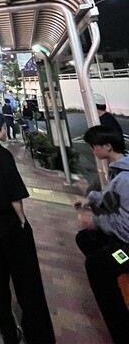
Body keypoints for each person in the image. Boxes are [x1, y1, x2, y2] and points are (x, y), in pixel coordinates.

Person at [0, 111, 55, 344]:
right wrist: (22, 218)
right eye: (4, 128)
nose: (6, 131)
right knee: (26, 277)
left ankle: (7, 330)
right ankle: (38, 334)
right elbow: (14, 194)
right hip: (8, 220)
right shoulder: (3, 155)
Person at [75, 126, 129, 343]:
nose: (92, 150)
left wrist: (96, 221)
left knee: (97, 266)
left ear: (107, 146)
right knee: (85, 239)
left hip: (127, 248)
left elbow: (127, 227)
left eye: (94, 146)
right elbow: (108, 195)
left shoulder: (125, 179)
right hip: (122, 239)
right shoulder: (119, 169)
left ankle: (122, 331)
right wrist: (90, 200)